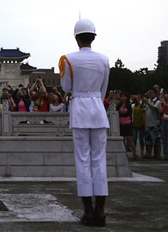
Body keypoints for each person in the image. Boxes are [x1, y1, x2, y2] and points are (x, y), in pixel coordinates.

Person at [59, 18, 110, 227]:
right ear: (94, 37)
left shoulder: (68, 59)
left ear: (76, 38)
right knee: (99, 160)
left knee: (83, 160)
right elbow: (103, 89)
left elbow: (65, 87)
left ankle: (88, 211)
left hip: (80, 110)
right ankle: (100, 212)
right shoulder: (104, 59)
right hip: (98, 109)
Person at [142, 88, 161, 159]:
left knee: (157, 140)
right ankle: (148, 153)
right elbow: (142, 109)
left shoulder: (157, 101)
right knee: (148, 140)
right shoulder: (148, 100)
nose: (150, 94)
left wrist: (147, 103)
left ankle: (157, 154)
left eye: (152, 93)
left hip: (155, 123)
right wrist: (144, 103)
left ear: (155, 94)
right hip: (147, 123)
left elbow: (154, 109)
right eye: (149, 93)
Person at [118, 93, 137, 159]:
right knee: (122, 140)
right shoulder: (119, 105)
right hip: (121, 123)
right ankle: (123, 153)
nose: (123, 98)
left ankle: (134, 154)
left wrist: (122, 113)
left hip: (127, 123)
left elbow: (128, 113)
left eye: (124, 96)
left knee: (130, 139)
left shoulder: (129, 106)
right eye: (122, 96)